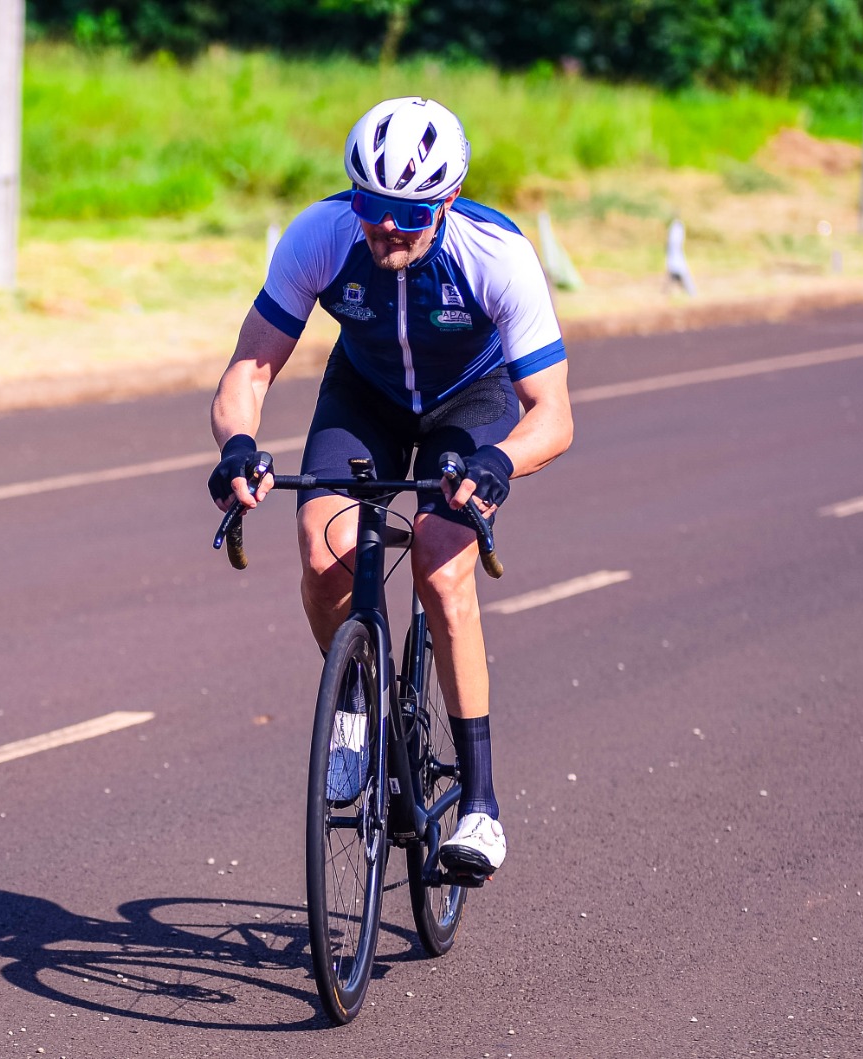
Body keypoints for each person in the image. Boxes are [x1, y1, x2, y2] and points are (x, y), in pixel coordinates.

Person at [207, 97, 574, 882]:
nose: (386, 229)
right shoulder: (321, 235)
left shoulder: (495, 254)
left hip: (467, 404)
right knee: (322, 548)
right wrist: (239, 443)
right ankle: (354, 708)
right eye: (372, 208)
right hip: (366, 393)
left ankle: (479, 801)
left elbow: (553, 416)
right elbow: (251, 366)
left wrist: (499, 464)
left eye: (408, 214)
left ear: (444, 203)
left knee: (441, 562)